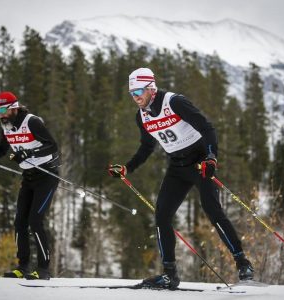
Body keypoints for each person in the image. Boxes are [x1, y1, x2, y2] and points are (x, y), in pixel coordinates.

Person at [108, 68, 254, 289]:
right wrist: (128, 168)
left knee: (212, 210)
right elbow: (147, 147)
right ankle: (169, 274)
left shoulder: (174, 102)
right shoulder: (142, 115)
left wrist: (212, 158)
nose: (135, 97)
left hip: (199, 162)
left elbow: (207, 128)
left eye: (138, 91)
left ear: (150, 88)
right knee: (162, 215)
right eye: (131, 93)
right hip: (177, 166)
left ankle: (243, 264)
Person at [0, 91, 60, 280]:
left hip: (47, 175)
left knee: (35, 220)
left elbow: (52, 145)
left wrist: (28, 154)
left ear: (14, 107)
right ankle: (23, 266)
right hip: (28, 176)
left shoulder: (31, 122)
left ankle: (43, 269)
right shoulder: (6, 125)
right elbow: (2, 149)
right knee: (20, 221)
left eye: (3, 109)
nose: (0, 114)